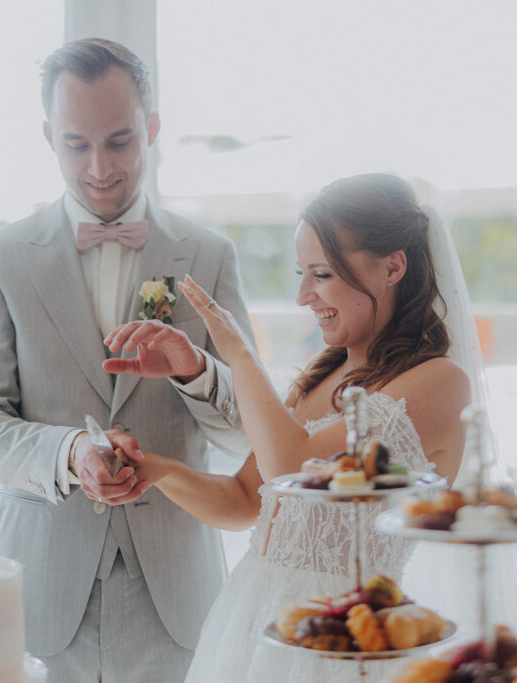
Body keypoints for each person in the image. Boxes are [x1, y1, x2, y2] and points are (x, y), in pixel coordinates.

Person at [0, 38, 255, 683]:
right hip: (39, 594)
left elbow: (246, 435)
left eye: (119, 141)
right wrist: (70, 453)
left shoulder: (209, 256)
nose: (98, 168)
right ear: (48, 137)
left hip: (179, 595)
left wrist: (194, 372)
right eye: (76, 144)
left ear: (152, 128)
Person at [104, 173, 477, 681]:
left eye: (321, 274)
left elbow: (293, 471)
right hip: (251, 631)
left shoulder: (440, 382)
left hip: (344, 646)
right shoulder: (321, 375)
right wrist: (153, 468)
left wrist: (237, 352)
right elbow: (244, 501)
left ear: (393, 267)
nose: (303, 296)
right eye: (302, 273)